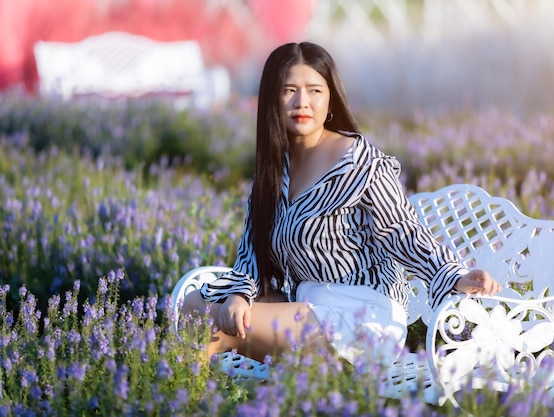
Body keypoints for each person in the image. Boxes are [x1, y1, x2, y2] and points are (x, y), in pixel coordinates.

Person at [181, 41, 501, 367]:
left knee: (219, 331)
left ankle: (182, 398)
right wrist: (238, 295)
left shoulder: (360, 163)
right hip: (306, 303)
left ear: (330, 97)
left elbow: (402, 231)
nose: (302, 102)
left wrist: (452, 275)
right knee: (193, 305)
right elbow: (253, 250)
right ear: (271, 99)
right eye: (289, 90)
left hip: (361, 317)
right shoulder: (275, 169)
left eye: (315, 90)